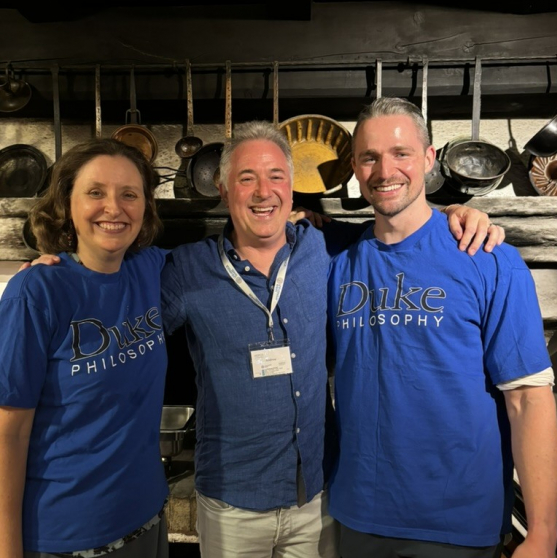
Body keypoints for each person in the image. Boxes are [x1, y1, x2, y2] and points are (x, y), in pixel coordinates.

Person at [159, 120, 505, 558]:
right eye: (246, 179)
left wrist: (458, 214)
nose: (263, 192)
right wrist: (66, 270)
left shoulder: (327, 246)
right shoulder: (185, 269)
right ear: (224, 190)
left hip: (316, 500)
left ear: (291, 188)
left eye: (276, 177)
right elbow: (122, 304)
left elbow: (401, 227)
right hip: (231, 502)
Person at [327, 97, 557, 558]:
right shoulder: (336, 261)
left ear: (430, 158)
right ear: (354, 166)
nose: (384, 170)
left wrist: (543, 532)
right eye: (369, 157)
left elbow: (528, 400)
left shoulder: (489, 259)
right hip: (358, 517)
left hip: (458, 524)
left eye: (401, 153)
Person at [0, 139, 169, 558]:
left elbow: (229, 256)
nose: (114, 208)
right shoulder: (36, 292)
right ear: (66, 204)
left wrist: (298, 222)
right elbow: (8, 433)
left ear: (145, 207)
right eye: (95, 192)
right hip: (68, 538)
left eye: (129, 194)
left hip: (147, 521)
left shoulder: (147, 268)